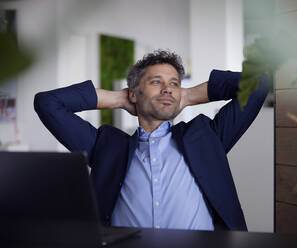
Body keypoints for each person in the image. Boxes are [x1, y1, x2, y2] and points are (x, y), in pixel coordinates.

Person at [34, 50, 269, 231]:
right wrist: (118, 98)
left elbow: (258, 84)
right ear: (134, 93)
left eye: (174, 83)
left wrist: (188, 95)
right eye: (156, 82)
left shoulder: (207, 138)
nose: (167, 89)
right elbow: (48, 103)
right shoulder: (106, 147)